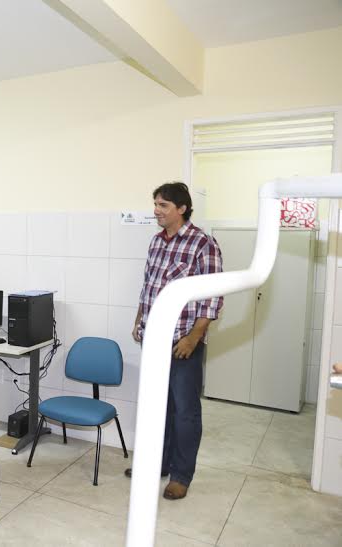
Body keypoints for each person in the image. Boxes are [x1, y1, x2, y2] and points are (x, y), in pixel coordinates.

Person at [127, 182, 224, 501]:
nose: (156, 210)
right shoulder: (157, 241)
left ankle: (181, 476)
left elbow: (212, 297)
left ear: (182, 209)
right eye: (155, 204)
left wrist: (194, 338)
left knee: (185, 411)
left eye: (163, 205)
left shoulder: (202, 243)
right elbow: (149, 284)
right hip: (152, 338)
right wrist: (139, 319)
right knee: (159, 406)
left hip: (182, 341)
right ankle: (158, 464)